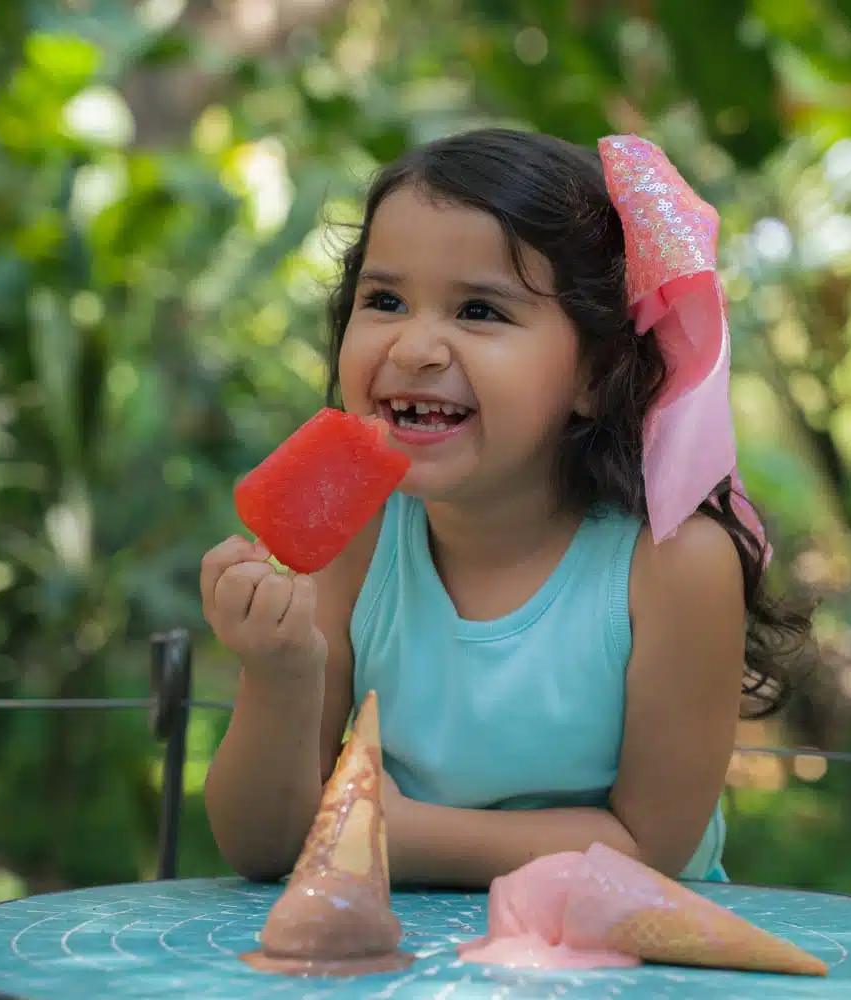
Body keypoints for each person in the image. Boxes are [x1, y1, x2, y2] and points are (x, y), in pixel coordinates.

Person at [199, 128, 809, 890]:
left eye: (480, 311)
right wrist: (279, 673)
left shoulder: (674, 564)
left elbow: (654, 849)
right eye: (385, 300)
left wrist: (383, 832)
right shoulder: (358, 536)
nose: (417, 346)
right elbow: (260, 846)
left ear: (596, 372)